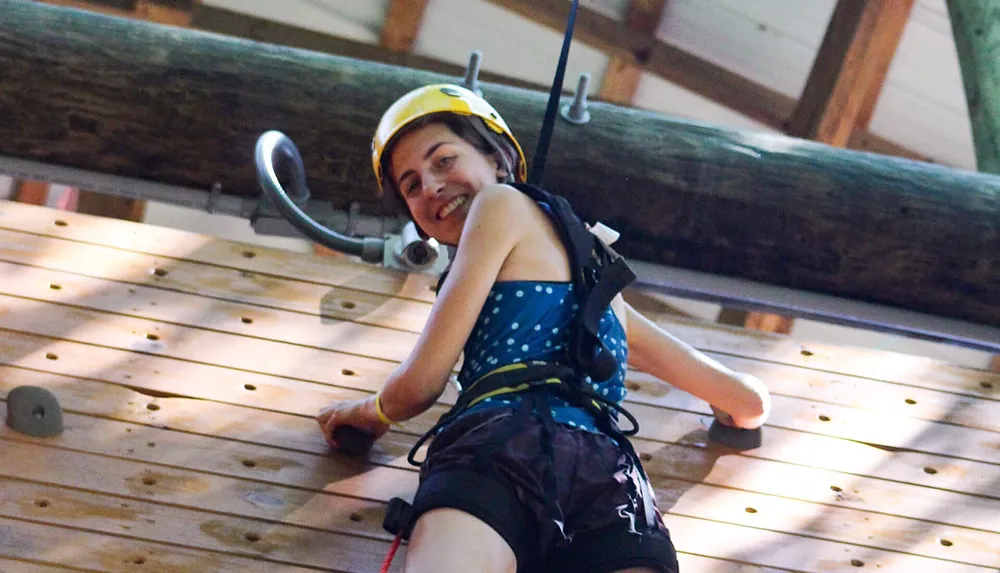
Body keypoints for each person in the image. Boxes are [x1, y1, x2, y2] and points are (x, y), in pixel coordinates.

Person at [316, 84, 771, 573]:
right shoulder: (605, 297)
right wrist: (742, 415)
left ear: (499, 158)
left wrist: (368, 413)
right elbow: (746, 401)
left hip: (499, 455)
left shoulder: (500, 204)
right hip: (610, 487)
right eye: (411, 185)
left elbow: (419, 387)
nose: (429, 186)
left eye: (443, 160)